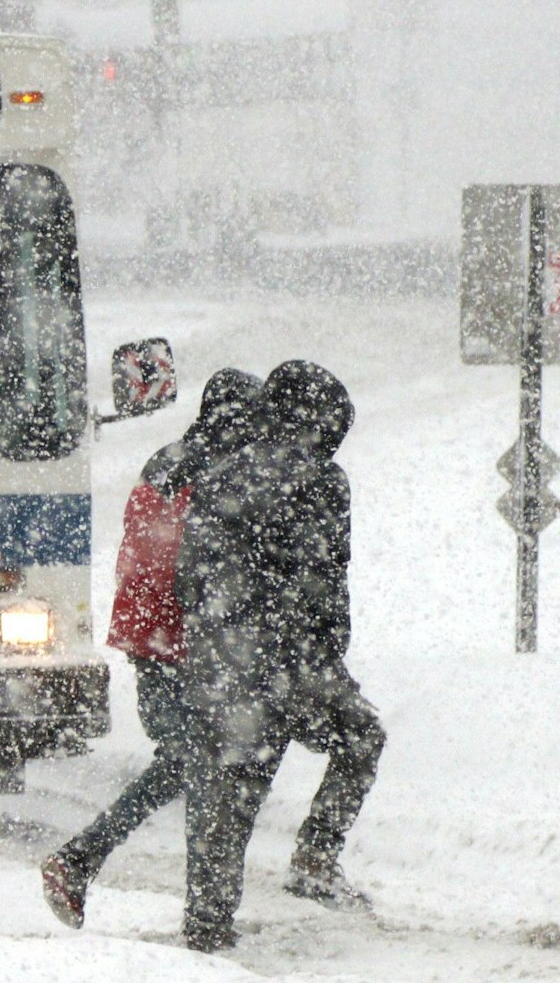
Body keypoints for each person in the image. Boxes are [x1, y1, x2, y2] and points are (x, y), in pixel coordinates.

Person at [40, 368, 264, 929]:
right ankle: (197, 914)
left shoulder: (170, 458)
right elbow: (192, 562)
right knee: (197, 765)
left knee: (189, 764)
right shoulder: (220, 470)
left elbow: (146, 551)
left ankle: (90, 864)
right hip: (185, 638)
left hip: (153, 634)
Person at [176, 360, 385, 953]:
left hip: (227, 660)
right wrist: (324, 653)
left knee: (234, 789)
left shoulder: (218, 476)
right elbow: (325, 578)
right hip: (295, 658)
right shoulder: (324, 480)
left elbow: (190, 577)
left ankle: (207, 921)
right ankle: (317, 857)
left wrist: (215, 646)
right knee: (361, 739)